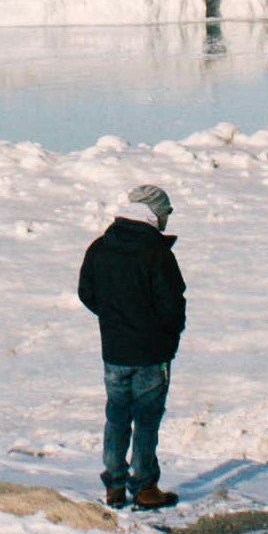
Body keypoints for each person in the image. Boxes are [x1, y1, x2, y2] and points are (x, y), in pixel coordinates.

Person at [74, 182, 185, 510]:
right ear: (154, 213)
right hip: (152, 354)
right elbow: (172, 305)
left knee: (117, 416)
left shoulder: (100, 247)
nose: (166, 218)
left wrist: (113, 319)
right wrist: (168, 338)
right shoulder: (157, 253)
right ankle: (145, 487)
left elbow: (87, 293)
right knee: (147, 420)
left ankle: (115, 486)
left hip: (115, 351)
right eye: (165, 212)